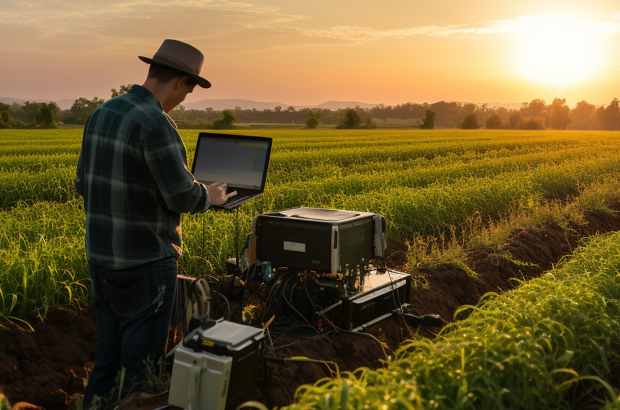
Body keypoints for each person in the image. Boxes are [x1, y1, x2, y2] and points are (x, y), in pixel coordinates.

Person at [75, 39, 236, 408]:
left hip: (101, 261)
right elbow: (182, 196)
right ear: (180, 81)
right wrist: (208, 194)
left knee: (106, 362)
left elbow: (84, 182)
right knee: (139, 373)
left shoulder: (102, 112)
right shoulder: (156, 123)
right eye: (191, 87)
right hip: (146, 266)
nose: (186, 96)